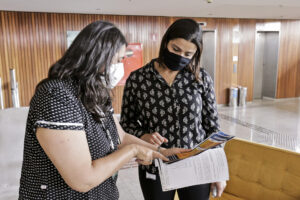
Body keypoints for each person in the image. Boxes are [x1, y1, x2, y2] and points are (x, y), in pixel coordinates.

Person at [18, 20, 186, 200]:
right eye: (118, 60)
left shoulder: (95, 91)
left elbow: (120, 136)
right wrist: (133, 151)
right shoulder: (56, 96)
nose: (120, 67)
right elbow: (82, 180)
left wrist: (161, 152)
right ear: (96, 57)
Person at [120, 18, 226, 200]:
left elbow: (213, 128)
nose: (180, 56)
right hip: (154, 163)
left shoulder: (201, 78)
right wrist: (143, 135)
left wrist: (219, 171)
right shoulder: (138, 79)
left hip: (196, 165)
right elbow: (126, 122)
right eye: (175, 49)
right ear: (165, 42)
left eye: (188, 54)